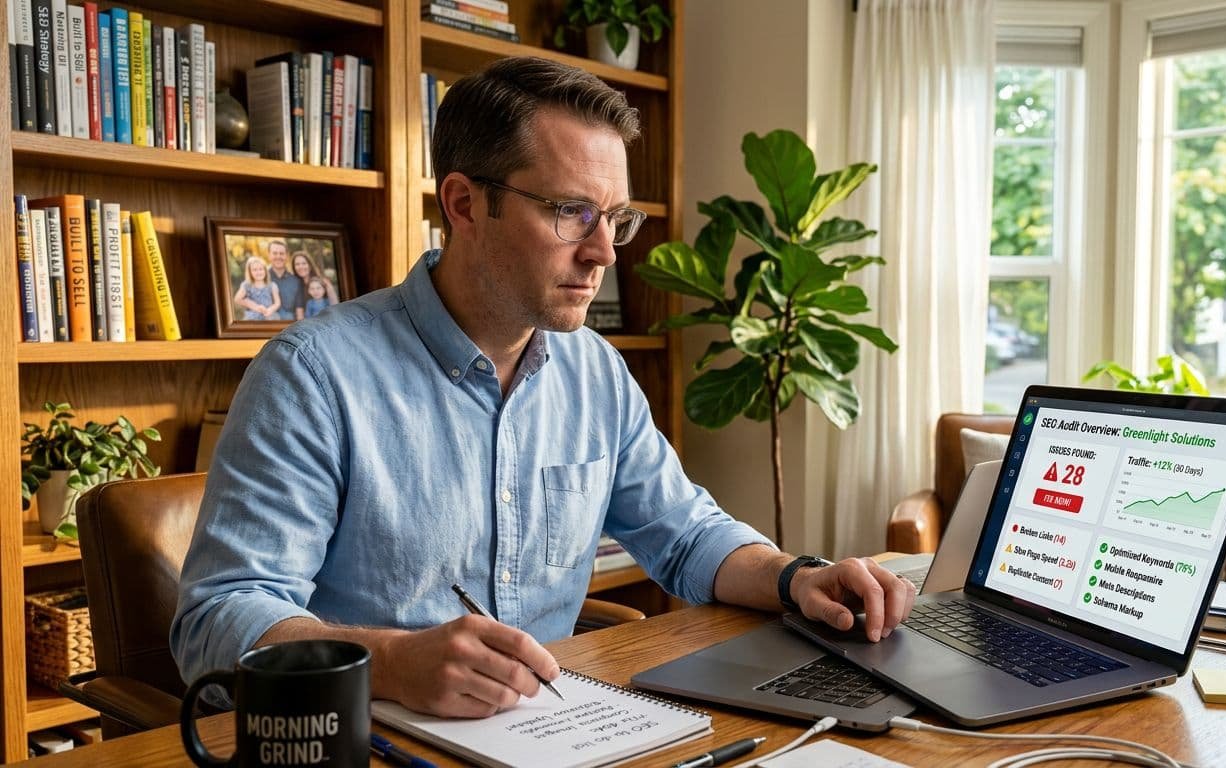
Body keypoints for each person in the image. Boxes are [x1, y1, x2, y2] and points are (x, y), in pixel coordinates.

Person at [172, 56, 914, 719]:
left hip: (557, 728)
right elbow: (218, 618)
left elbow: (686, 536)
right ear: (464, 205)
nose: (603, 254)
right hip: (374, 734)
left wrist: (795, 579)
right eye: (570, 213)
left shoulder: (594, 371)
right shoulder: (314, 376)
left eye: (616, 220)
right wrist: (392, 664)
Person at [265, 239, 305, 321]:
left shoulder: (296, 281)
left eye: (282, 253)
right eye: (275, 253)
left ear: (287, 256)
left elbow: (299, 312)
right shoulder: (259, 278)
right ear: (269, 255)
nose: (278, 256)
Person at [232, 256, 280, 320]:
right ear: (250, 272)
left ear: (265, 271)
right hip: (252, 317)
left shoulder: (272, 285)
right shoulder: (247, 285)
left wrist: (270, 310)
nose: (258, 272)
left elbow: (277, 303)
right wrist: (254, 306)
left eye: (261, 269)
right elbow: (237, 299)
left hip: (269, 314)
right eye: (254, 270)